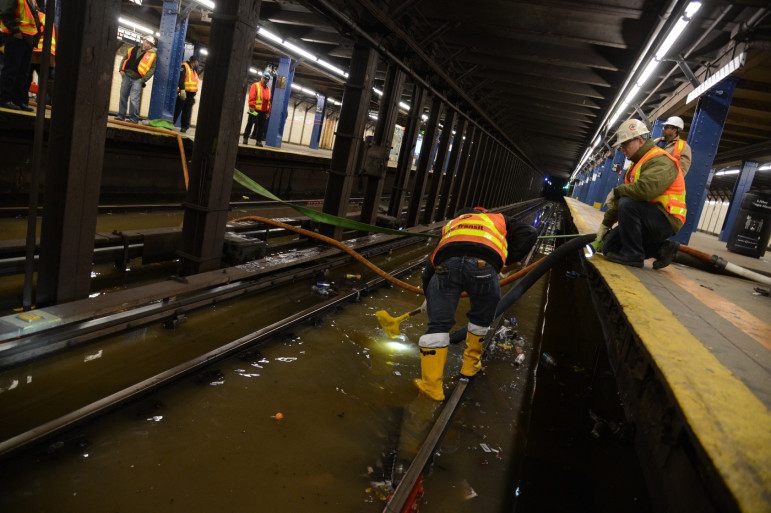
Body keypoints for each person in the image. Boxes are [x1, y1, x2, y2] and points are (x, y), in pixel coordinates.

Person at [415, 207, 538, 401]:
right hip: (484, 266)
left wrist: (429, 294)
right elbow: (530, 232)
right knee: (481, 318)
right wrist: (505, 259)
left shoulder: (454, 224)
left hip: (445, 267)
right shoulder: (498, 219)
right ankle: (470, 366)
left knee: (438, 325)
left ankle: (431, 386)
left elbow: (432, 262)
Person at [595, 119, 686, 269]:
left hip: (666, 219)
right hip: (646, 217)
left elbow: (645, 191)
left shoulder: (660, 160)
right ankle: (663, 249)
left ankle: (633, 255)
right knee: (609, 248)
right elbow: (625, 197)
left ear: (640, 141)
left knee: (628, 204)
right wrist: (606, 224)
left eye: (625, 144)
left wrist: (617, 191)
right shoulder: (637, 164)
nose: (622, 149)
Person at [0, 0, 41, 112]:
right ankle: (5, 99)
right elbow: (4, 13)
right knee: (11, 70)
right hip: (16, 37)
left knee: (22, 73)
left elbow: (34, 18)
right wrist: (15, 31)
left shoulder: (32, 1)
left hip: (27, 39)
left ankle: (17, 101)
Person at [115, 35, 156, 124]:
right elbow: (125, 58)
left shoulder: (152, 55)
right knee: (123, 96)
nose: (148, 45)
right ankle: (120, 116)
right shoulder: (133, 49)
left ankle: (133, 119)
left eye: (150, 44)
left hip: (138, 79)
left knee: (134, 99)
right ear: (144, 41)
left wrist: (143, 80)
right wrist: (121, 69)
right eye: (147, 42)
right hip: (126, 75)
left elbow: (152, 69)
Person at [24, 9, 54, 106]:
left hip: (35, 52)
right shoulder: (46, 18)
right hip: (48, 54)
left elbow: (33, 32)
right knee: (48, 81)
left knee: (25, 78)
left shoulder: (34, 16)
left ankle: (22, 101)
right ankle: (59, 103)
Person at [243, 70, 271, 146]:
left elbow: (268, 102)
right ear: (261, 77)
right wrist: (251, 107)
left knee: (261, 127)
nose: (265, 80)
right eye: (264, 78)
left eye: (267, 79)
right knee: (250, 124)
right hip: (254, 109)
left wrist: (268, 112)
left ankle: (258, 141)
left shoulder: (268, 89)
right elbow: (252, 97)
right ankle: (245, 138)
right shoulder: (255, 85)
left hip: (263, 111)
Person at [173, 55, 199, 133]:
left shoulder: (193, 70)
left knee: (187, 112)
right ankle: (171, 123)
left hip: (191, 95)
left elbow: (194, 84)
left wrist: (194, 95)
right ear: (194, 61)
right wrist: (182, 90)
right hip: (184, 92)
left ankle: (184, 127)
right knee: (178, 109)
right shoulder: (184, 66)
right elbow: (181, 78)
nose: (197, 63)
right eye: (197, 61)